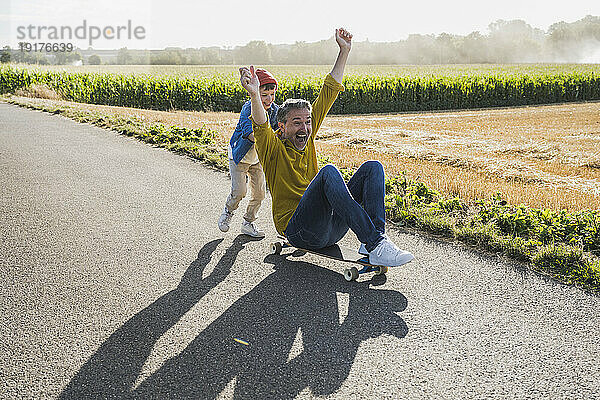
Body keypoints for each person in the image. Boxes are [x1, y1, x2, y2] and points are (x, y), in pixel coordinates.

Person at [239, 28, 414, 267]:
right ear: (282, 126)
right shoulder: (272, 148)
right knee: (329, 172)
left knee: (373, 168)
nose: (305, 128)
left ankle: (375, 241)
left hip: (329, 228)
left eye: (308, 122)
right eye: (297, 122)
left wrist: (344, 50)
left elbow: (328, 92)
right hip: (298, 230)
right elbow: (259, 124)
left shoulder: (307, 137)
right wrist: (254, 96)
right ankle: (374, 242)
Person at [218, 68, 279, 238]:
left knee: (260, 193)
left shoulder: (274, 109)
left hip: (257, 158)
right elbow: (251, 134)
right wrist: (272, 138)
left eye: (272, 94)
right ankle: (228, 212)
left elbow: (282, 122)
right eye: (264, 94)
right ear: (255, 91)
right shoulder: (247, 109)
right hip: (240, 156)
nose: (269, 99)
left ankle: (248, 222)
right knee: (240, 192)